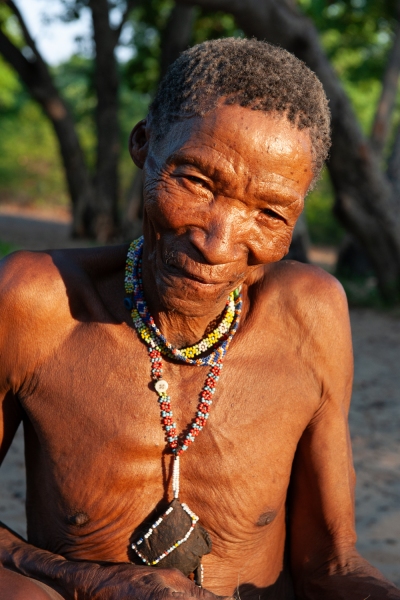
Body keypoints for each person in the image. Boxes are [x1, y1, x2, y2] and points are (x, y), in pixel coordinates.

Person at [0, 38, 398, 600]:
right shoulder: (36, 302)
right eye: (195, 181)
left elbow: (331, 563)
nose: (217, 243)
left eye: (269, 213)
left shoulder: (310, 313)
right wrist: (90, 582)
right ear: (144, 145)